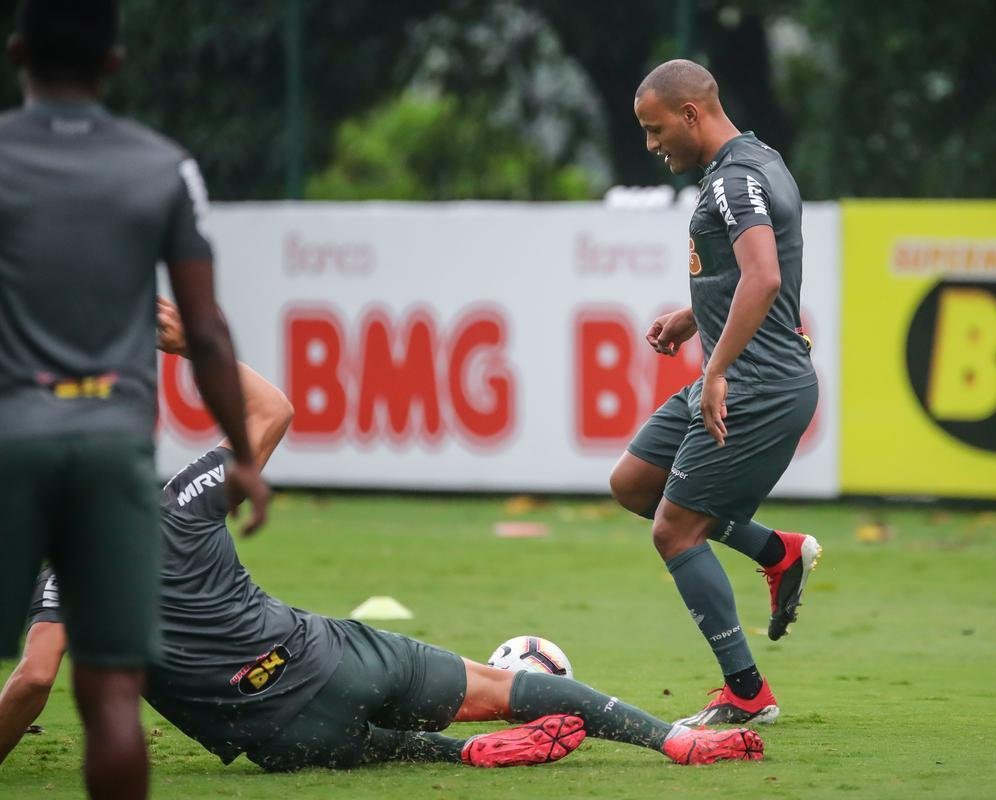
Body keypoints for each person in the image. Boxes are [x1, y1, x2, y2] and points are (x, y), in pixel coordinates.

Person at [0, 298, 764, 772]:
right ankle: (672, 741)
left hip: (279, 729)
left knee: (339, 745)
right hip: (334, 654)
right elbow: (273, 413)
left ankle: (455, 754)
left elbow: (34, 680)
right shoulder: (185, 498)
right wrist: (190, 350)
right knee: (505, 688)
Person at [0, 2, 270, 798]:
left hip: (12, 440)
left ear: (17, 53)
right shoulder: (163, 166)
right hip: (111, 449)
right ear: (115, 63)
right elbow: (208, 333)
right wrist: (245, 456)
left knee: (32, 667)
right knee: (111, 689)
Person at [609, 59, 822, 727]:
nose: (651, 145)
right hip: (749, 374)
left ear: (691, 114)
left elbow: (762, 278)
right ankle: (775, 551)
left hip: (757, 385)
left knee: (674, 531)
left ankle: (747, 693)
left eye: (655, 129)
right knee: (635, 483)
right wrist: (693, 316)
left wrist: (719, 370)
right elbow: (757, 274)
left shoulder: (733, 181)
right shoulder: (760, 158)